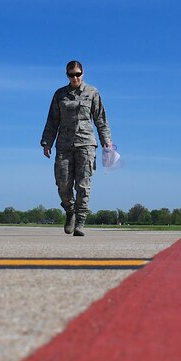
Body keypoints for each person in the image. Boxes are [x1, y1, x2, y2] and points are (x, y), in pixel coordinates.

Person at [40, 60, 114, 236]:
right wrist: (46, 142)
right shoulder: (59, 95)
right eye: (71, 74)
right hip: (64, 144)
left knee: (83, 184)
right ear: (67, 75)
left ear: (83, 73)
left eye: (77, 74)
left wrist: (107, 140)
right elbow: (52, 120)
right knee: (63, 184)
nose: (75, 77)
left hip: (86, 143)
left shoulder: (92, 92)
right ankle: (70, 211)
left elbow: (100, 118)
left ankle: (80, 221)